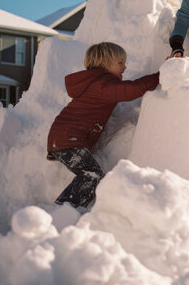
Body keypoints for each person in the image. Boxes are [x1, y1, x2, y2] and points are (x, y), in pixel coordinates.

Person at [47, 42, 160, 209]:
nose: (125, 66)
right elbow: (132, 90)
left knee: (90, 174)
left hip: (65, 138)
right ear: (105, 64)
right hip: (68, 139)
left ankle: (66, 209)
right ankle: (63, 209)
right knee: (91, 175)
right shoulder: (102, 85)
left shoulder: (97, 82)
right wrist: (159, 76)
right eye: (120, 62)